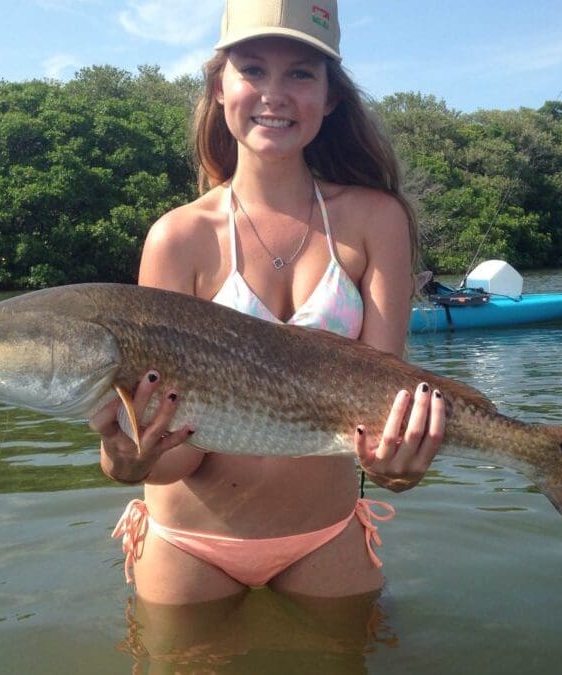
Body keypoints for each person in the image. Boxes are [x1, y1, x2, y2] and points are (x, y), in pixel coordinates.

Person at [90, 0, 446, 605]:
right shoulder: (176, 237)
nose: (273, 94)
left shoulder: (376, 220)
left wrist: (396, 469)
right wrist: (129, 461)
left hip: (326, 533)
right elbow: (176, 454)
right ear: (219, 85)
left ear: (331, 96)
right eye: (252, 69)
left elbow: (384, 401)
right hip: (187, 544)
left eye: (301, 74)